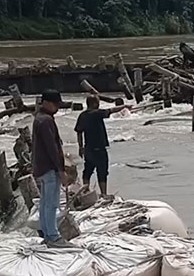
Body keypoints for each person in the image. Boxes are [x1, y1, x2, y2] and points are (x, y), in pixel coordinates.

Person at [33, 90, 72, 247]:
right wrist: (61, 171)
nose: (57, 107)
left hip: (40, 167)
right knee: (51, 203)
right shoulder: (46, 121)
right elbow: (52, 148)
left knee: (44, 202)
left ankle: (46, 233)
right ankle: (53, 236)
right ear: (47, 103)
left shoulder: (39, 119)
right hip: (49, 168)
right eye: (56, 104)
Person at [75, 95, 128, 197]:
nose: (99, 104)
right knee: (102, 171)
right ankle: (104, 194)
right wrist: (124, 106)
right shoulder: (97, 113)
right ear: (94, 103)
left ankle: (85, 191)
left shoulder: (82, 115)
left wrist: (81, 147)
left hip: (88, 148)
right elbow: (111, 110)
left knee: (87, 171)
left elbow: (79, 132)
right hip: (99, 148)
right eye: (98, 102)